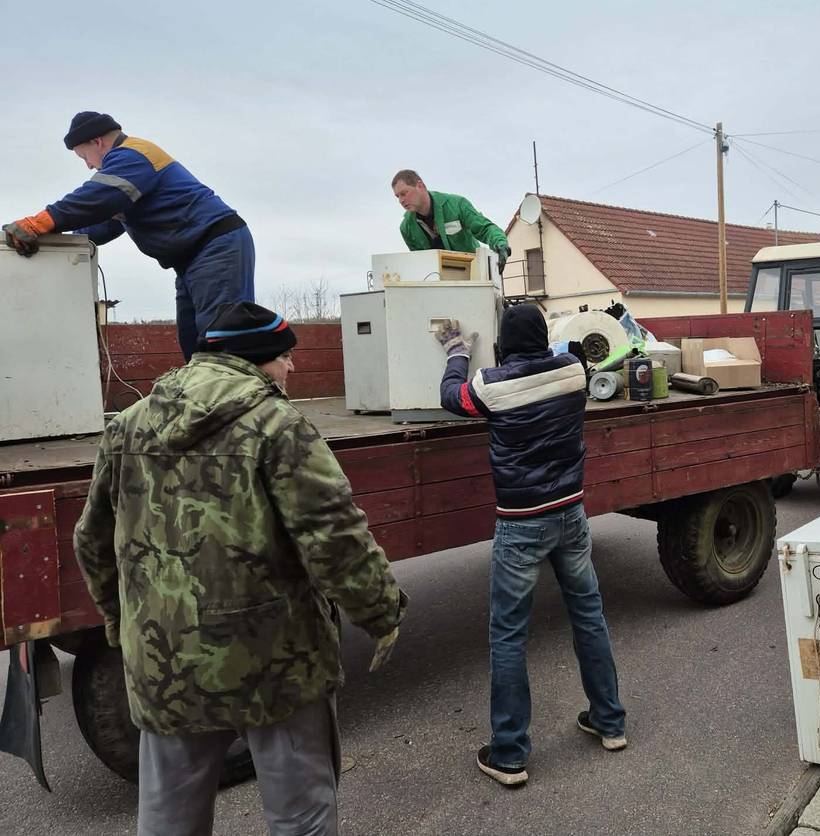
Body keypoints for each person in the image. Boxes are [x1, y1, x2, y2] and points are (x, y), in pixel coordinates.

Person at [73, 301, 406, 836]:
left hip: (162, 657)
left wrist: (122, 624)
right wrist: (381, 612)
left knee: (168, 816)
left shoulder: (128, 426)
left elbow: (92, 539)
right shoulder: (277, 427)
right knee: (302, 813)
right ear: (256, 359)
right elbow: (334, 536)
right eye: (285, 357)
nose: (291, 368)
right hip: (276, 663)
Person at [434, 304, 625, 787]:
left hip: (521, 524)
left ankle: (510, 754)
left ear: (504, 343)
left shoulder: (492, 385)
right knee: (589, 615)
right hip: (572, 515)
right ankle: (609, 722)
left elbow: (450, 397)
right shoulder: (574, 373)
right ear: (544, 338)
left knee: (509, 635)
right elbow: (577, 355)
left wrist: (457, 352)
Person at [2, 112, 255, 359]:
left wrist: (41, 222)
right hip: (195, 258)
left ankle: (242, 399)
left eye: (84, 157)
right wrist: (60, 241)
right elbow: (101, 226)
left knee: (223, 338)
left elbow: (98, 198)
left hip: (216, 248)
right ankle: (208, 397)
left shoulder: (133, 155)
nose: (89, 165)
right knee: (193, 340)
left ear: (97, 142)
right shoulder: (126, 178)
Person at [391, 169, 511, 273]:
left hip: (472, 276)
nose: (401, 200)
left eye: (404, 193)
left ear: (420, 186)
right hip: (438, 287)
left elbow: (485, 229)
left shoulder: (457, 205)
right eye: (397, 197)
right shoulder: (406, 228)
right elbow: (420, 263)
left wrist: (501, 245)